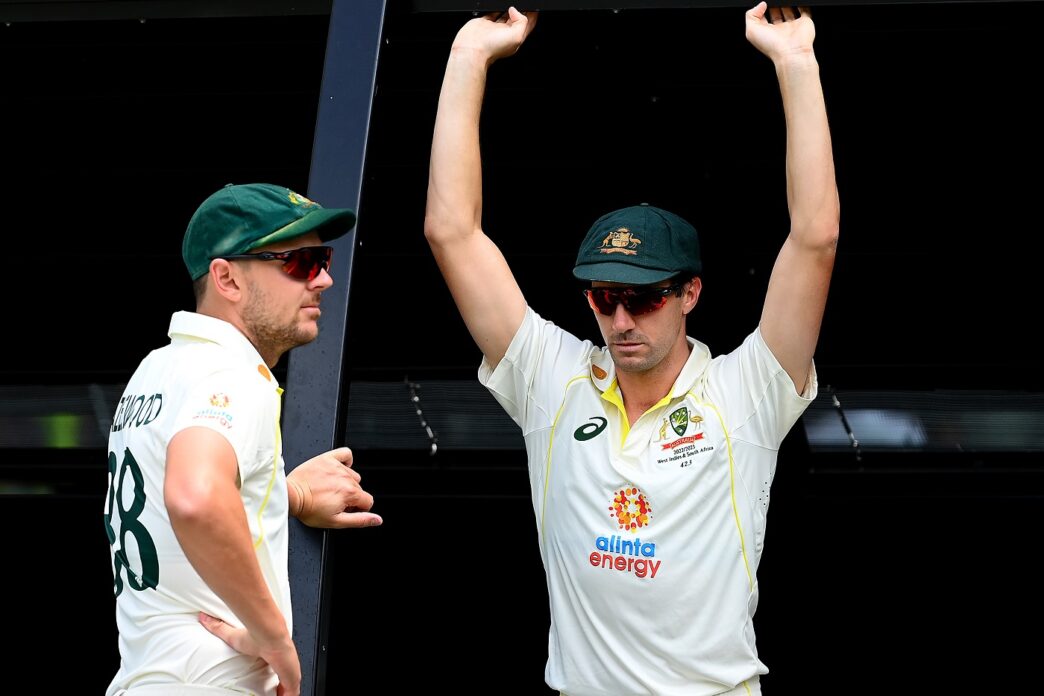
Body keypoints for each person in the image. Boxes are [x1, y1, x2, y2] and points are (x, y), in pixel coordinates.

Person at [424, 3, 838, 695]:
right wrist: (469, 55)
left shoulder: (746, 392)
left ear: (690, 293)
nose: (620, 319)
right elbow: (451, 233)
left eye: (644, 298)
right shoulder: (552, 379)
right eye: (603, 297)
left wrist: (796, 62)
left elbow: (816, 238)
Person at [103, 182, 383, 696]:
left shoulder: (157, 370)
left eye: (322, 259)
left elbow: (178, 501)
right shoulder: (231, 373)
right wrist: (274, 638)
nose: (324, 278)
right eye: (300, 262)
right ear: (227, 278)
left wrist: (287, 494)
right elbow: (195, 497)